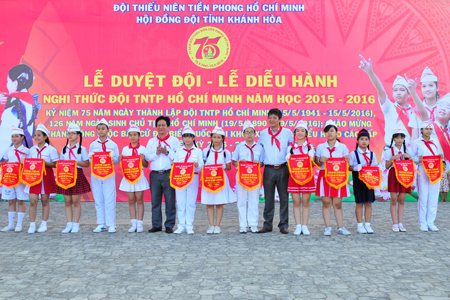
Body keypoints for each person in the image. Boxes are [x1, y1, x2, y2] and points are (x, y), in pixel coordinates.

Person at [359, 55, 413, 147]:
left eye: (402, 90)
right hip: (390, 152)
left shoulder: (414, 112)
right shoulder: (389, 107)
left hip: (409, 154)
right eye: (395, 90)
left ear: (408, 93)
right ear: (392, 93)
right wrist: (370, 72)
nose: (398, 93)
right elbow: (380, 89)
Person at [258, 108, 293, 234]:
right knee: (268, 198)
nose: (271, 120)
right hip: (268, 169)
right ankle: (267, 224)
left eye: (274, 117)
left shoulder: (287, 132)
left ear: (280, 119)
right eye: (270, 117)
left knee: (284, 198)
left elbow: (294, 148)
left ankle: (283, 225)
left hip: (283, 168)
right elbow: (259, 149)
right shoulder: (263, 133)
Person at [315, 120, 351, 236]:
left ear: (336, 132)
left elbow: (348, 164)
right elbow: (316, 163)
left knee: (337, 203)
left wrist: (347, 159)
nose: (329, 133)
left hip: (338, 177)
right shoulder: (320, 147)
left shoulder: (343, 147)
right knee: (326, 203)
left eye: (331, 131)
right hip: (324, 175)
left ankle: (341, 227)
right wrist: (320, 160)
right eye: (326, 131)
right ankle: (327, 227)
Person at [144, 116, 180, 233]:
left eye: (163, 125)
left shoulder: (174, 141)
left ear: (168, 127)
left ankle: (169, 225)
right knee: (155, 201)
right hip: (154, 174)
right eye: (159, 125)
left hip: (169, 173)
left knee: (170, 201)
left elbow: (178, 158)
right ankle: (156, 225)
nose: (161, 127)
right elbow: (147, 157)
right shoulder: (151, 141)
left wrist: (167, 152)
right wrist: (157, 153)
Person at [55, 123, 91, 234]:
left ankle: (76, 224)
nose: (70, 135)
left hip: (76, 174)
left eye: (73, 133)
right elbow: (60, 163)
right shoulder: (64, 149)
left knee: (75, 201)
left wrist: (75, 163)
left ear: (78, 135)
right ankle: (68, 224)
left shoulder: (82, 149)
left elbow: (86, 163)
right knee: (67, 201)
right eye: (68, 133)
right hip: (65, 176)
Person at [0, 64, 40, 159]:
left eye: (8, 81)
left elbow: (4, 141)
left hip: (12, 160)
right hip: (25, 156)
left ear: (15, 83)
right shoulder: (30, 104)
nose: (7, 85)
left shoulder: (13, 106)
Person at [201, 126, 236, 234]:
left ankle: (217, 226)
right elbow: (203, 165)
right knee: (210, 203)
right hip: (209, 179)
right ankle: (211, 225)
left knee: (219, 203)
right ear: (211, 138)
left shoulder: (225, 152)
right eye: (214, 137)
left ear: (222, 139)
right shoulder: (206, 151)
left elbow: (229, 167)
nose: (216, 139)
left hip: (221, 179)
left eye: (218, 137)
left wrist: (223, 166)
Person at [232, 120, 264, 234]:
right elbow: (234, 162)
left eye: (251, 132)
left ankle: (253, 224)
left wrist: (258, 163)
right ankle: (243, 225)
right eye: (247, 132)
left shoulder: (259, 147)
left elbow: (262, 163)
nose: (249, 134)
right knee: (241, 200)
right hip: (241, 176)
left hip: (254, 177)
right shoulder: (239, 147)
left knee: (254, 200)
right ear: (243, 134)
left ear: (255, 134)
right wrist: (240, 163)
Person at [88, 118, 120, 233]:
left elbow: (117, 161)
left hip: (109, 175)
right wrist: (91, 157)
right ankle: (101, 224)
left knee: (109, 199)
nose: (101, 131)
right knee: (98, 199)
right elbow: (90, 160)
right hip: (96, 175)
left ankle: (111, 224)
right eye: (99, 129)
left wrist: (112, 158)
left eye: (103, 129)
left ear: (108, 130)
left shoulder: (113, 144)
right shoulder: (93, 144)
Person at [26, 123, 58, 233]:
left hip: (46, 177)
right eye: (35, 135)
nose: (36, 138)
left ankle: (44, 223)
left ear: (45, 137)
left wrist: (44, 163)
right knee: (33, 201)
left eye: (39, 135)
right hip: (34, 178)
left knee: (45, 201)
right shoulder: (32, 150)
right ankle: (32, 224)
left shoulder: (51, 149)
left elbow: (55, 164)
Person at [412, 121, 443, 232]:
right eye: (426, 129)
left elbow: (439, 156)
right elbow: (411, 158)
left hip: (435, 172)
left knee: (433, 198)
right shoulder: (417, 142)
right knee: (423, 198)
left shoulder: (435, 141)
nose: (428, 131)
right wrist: (417, 160)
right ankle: (423, 223)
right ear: (421, 130)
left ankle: (431, 222)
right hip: (423, 172)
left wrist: (441, 157)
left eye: (430, 129)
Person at [285, 120, 315, 236]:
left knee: (306, 202)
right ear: (295, 133)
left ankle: (305, 226)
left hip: (307, 177)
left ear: (306, 133)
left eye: (302, 131)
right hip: (294, 177)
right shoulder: (291, 148)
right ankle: (298, 225)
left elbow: (312, 164)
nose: (300, 133)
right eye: (298, 130)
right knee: (296, 202)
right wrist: (288, 159)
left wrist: (311, 158)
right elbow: (289, 165)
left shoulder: (310, 147)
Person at [173, 126, 203, 234]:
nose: (188, 139)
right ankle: (181, 225)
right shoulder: (179, 151)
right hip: (180, 178)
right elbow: (175, 164)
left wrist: (197, 165)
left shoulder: (198, 151)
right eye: (185, 137)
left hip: (193, 178)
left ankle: (189, 225)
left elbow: (201, 167)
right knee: (181, 202)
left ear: (193, 138)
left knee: (190, 202)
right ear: (182, 138)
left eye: (190, 137)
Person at [119, 125, 149, 233]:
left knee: (140, 200)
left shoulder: (143, 149)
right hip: (128, 177)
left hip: (139, 176)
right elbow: (124, 165)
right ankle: (133, 223)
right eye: (130, 135)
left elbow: (145, 165)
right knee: (131, 200)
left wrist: (143, 159)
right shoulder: (125, 149)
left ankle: (140, 223)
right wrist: (120, 159)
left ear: (139, 136)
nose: (132, 137)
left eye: (135, 135)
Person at [349, 129, 378, 234]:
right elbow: (349, 167)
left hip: (369, 180)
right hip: (358, 180)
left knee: (369, 203)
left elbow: (375, 167)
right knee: (359, 203)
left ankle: (368, 224)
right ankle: (360, 225)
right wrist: (356, 168)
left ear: (369, 141)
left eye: (366, 139)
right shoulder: (353, 154)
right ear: (357, 141)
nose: (364, 141)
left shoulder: (372, 154)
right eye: (361, 139)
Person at [1, 127, 30, 232]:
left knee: (21, 201)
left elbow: (29, 165)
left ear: (22, 137)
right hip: (9, 179)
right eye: (12, 136)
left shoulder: (27, 151)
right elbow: (5, 163)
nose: (14, 138)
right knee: (11, 201)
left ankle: (19, 224)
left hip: (21, 180)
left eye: (17, 136)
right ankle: (10, 225)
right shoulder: (8, 150)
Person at [383, 127, 412, 232]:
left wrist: (409, 157)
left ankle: (400, 222)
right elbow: (386, 166)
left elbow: (411, 164)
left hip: (405, 175)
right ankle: (394, 223)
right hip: (394, 174)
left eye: (402, 138)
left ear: (404, 139)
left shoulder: (407, 150)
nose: (400, 140)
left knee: (402, 200)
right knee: (394, 199)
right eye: (397, 138)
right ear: (393, 139)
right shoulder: (389, 150)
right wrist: (392, 159)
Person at [408, 67, 442, 142]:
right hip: (424, 152)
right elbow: (414, 139)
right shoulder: (416, 111)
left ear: (437, 87)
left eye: (431, 85)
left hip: (444, 151)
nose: (427, 89)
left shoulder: (444, 107)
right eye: (424, 86)